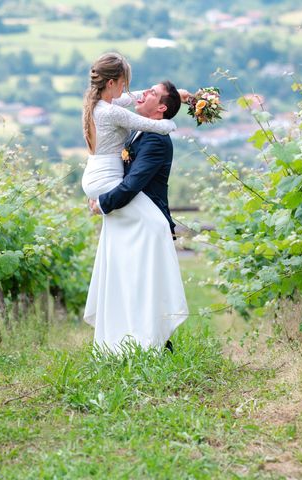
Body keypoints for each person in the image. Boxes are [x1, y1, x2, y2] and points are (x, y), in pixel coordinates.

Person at [81, 52, 189, 353]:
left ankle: (140, 337)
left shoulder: (111, 109)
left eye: (151, 93)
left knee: (133, 274)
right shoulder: (119, 114)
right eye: (127, 85)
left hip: (113, 190)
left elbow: (132, 183)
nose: (137, 93)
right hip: (106, 184)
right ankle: (137, 337)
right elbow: (147, 115)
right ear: (113, 82)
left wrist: (104, 203)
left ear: (162, 106)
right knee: (140, 259)